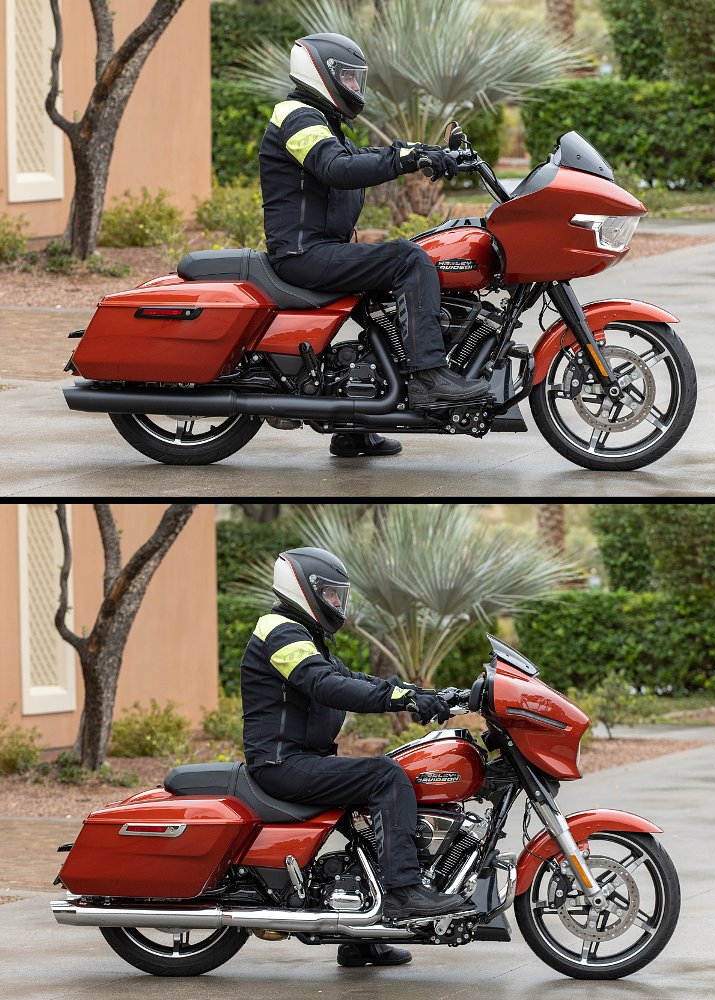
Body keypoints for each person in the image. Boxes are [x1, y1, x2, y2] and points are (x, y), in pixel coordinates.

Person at [241, 546, 476, 969]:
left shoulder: (306, 636)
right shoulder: (279, 632)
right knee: (384, 776)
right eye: (330, 595)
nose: (337, 604)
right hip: (281, 764)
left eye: (338, 596)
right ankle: (404, 892)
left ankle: (362, 937)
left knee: (383, 789)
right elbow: (325, 685)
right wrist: (400, 700)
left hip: (300, 759)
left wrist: (427, 695)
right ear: (303, 590)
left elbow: (353, 678)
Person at [258, 32, 490, 460]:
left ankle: (355, 426)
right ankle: (430, 377)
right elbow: (335, 167)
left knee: (384, 310)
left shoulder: (324, 124)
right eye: (347, 78)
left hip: (318, 251)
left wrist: (428, 153)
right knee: (407, 258)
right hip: (304, 256)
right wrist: (405, 160)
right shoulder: (297, 118)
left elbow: (360, 155)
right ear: (320, 74)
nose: (354, 88)